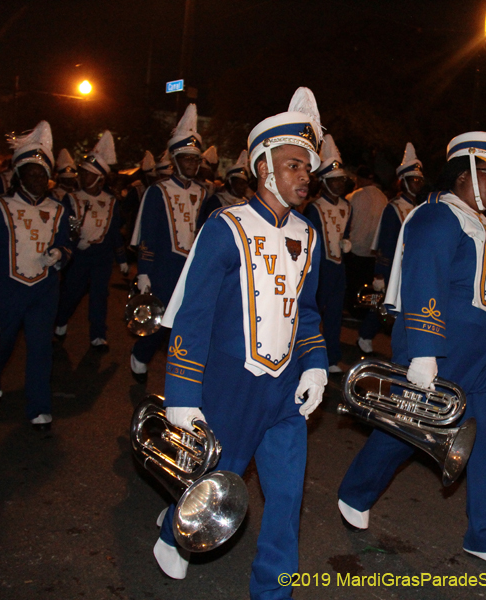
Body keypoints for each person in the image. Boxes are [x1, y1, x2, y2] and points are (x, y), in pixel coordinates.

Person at [153, 88, 328, 600]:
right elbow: (195, 315)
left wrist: (316, 365)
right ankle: (173, 533)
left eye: (308, 167)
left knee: (287, 497)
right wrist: (183, 396)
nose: (304, 176)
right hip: (230, 385)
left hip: (286, 388)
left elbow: (309, 311)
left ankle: (273, 590)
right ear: (264, 167)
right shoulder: (225, 227)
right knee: (218, 480)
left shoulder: (309, 234)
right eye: (293, 164)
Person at [338, 122, 486, 568]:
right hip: (446, 350)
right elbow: (423, 278)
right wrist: (424, 350)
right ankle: (356, 490)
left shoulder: (485, 226)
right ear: (462, 173)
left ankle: (485, 533)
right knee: (410, 431)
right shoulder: (436, 216)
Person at [0, 121, 72, 430]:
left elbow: (66, 243)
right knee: (1, 346)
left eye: (42, 174)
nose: (38, 179)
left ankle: (39, 408)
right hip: (7, 290)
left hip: (44, 290)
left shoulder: (59, 209)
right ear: (19, 176)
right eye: (31, 174)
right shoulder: (1, 206)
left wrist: (59, 254)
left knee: (41, 350)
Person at [129, 105, 208, 383]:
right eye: (186, 159)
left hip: (194, 267)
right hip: (164, 266)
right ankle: (140, 354)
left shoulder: (204, 192)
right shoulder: (157, 191)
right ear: (175, 160)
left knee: (189, 325)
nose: (191, 164)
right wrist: (143, 272)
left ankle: (183, 376)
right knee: (161, 321)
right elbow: (147, 234)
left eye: (195, 160)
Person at [54, 131, 128, 349]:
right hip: (79, 255)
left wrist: (122, 258)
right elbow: (69, 224)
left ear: (99, 177)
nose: (83, 177)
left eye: (88, 174)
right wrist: (75, 239)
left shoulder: (111, 201)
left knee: (99, 295)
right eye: (83, 173)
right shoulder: (72, 198)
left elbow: (114, 231)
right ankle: (60, 320)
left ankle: (98, 334)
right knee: (72, 292)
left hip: (102, 256)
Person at [357, 142, 424, 353]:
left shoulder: (421, 208)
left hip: (412, 268)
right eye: (413, 179)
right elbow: (386, 242)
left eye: (420, 180)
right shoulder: (394, 208)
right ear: (403, 182)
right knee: (384, 305)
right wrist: (380, 274)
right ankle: (365, 336)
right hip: (394, 266)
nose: (418, 183)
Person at [305, 134, 352, 373]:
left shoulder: (347, 206)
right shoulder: (314, 207)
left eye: (341, 180)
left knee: (335, 315)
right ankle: (306, 356)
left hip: (338, 268)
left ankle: (332, 357)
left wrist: (346, 242)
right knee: (312, 314)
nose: (339, 184)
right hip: (319, 268)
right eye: (333, 181)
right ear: (324, 182)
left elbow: (346, 231)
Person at [344, 165, 388, 314]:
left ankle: (351, 310)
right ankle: (364, 312)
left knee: (352, 284)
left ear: (359, 179)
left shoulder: (355, 195)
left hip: (355, 248)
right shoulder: (383, 198)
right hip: (373, 251)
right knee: (366, 286)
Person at [196, 149, 252, 228]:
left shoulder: (247, 203)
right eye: (239, 183)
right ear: (230, 182)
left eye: (244, 183)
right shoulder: (217, 200)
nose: (242, 186)